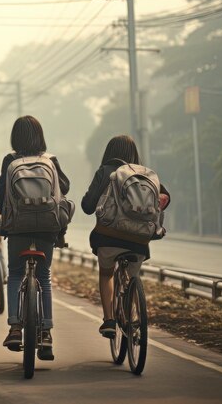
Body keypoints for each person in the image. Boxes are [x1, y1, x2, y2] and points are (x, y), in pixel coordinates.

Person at [0, 115, 70, 361]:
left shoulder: (10, 161)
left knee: (16, 273)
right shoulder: (50, 161)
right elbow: (65, 187)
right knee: (44, 276)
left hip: (18, 227)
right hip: (47, 228)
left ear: (15, 138)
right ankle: (46, 332)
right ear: (41, 136)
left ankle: (15, 327)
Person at [81, 135, 170, 338]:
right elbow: (164, 200)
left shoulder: (104, 172)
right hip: (139, 241)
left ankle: (109, 320)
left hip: (109, 236)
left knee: (106, 274)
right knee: (132, 276)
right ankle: (133, 317)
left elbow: (87, 207)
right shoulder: (145, 175)